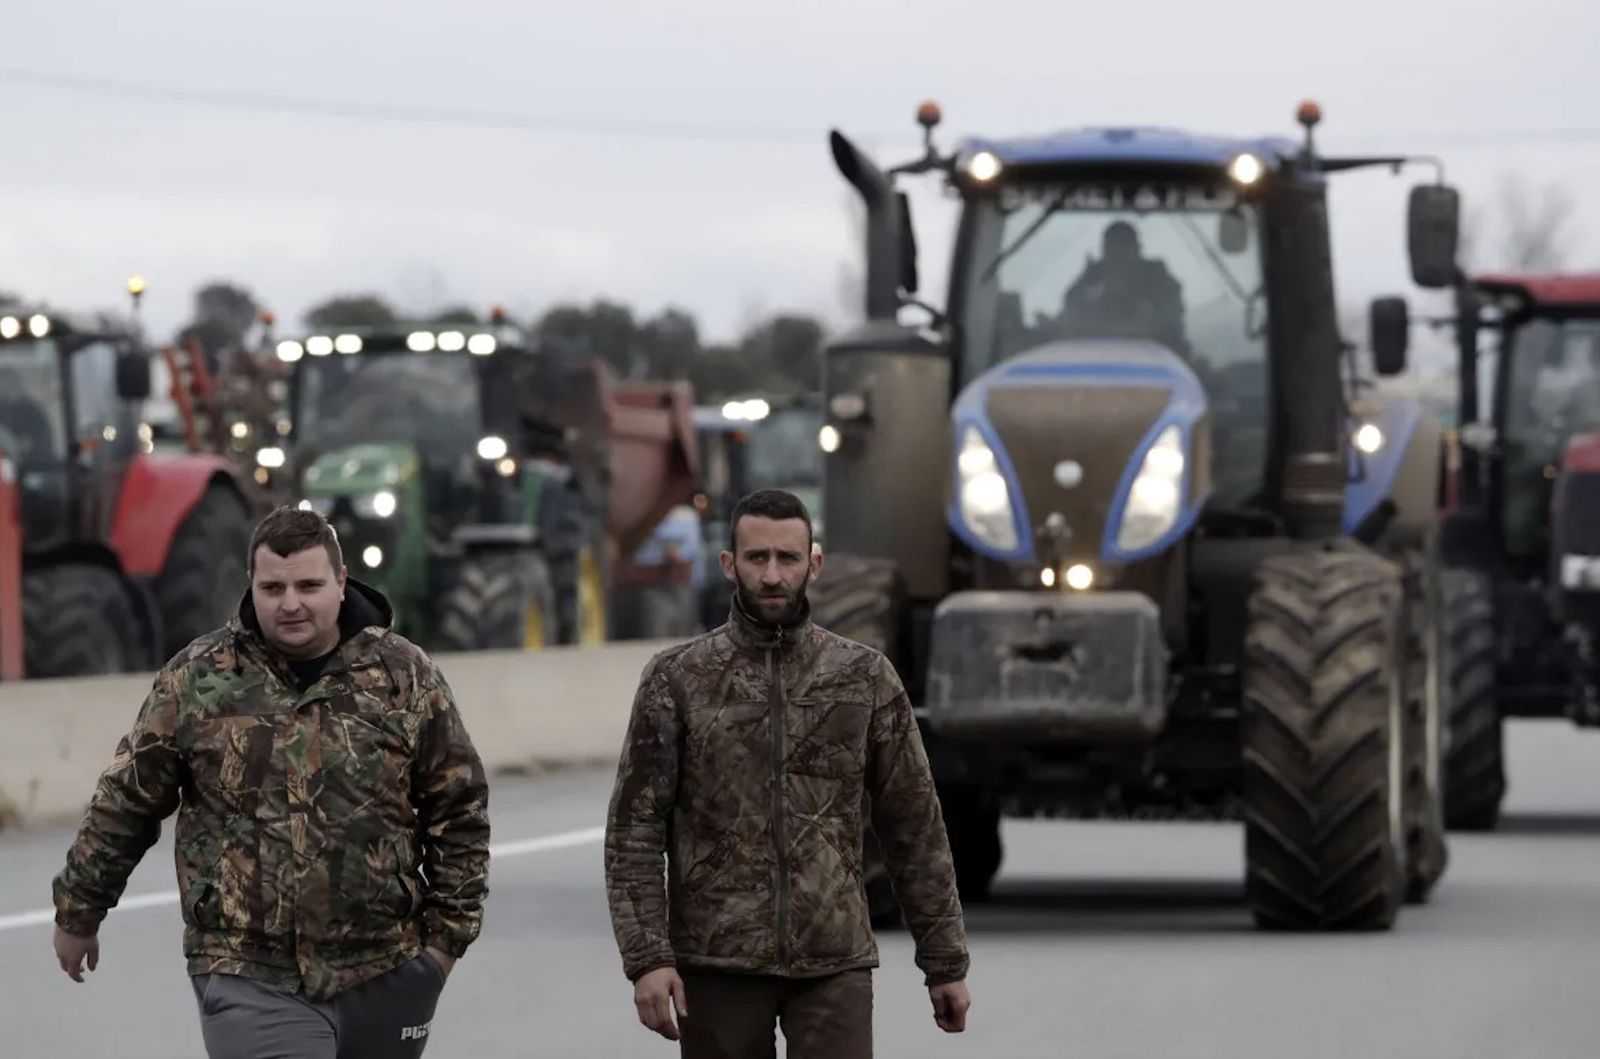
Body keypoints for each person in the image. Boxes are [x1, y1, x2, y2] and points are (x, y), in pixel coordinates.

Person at [49, 505, 490, 1059]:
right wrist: (80, 909)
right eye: (272, 587)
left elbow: (459, 808)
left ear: (341, 582)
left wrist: (443, 946)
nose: (290, 603)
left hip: (387, 970)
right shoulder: (199, 677)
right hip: (246, 969)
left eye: (308, 585)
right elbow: (128, 799)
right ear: (251, 587)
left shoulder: (403, 675)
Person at [605, 488, 972, 1058]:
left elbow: (914, 826)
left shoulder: (863, 677)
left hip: (833, 963)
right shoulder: (677, 679)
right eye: (757, 558)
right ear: (730, 565)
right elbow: (635, 831)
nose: (772, 575)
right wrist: (648, 959)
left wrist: (944, 961)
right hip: (717, 964)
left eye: (787, 558)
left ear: (814, 564)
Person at [1058, 219, 1189, 355]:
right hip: (1092, 355)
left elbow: (1169, 325)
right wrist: (1087, 282)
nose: (1117, 255)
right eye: (1112, 248)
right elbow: (1070, 308)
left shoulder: (1160, 281)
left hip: (1154, 357)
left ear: (1136, 248)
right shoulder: (1092, 278)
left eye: (1123, 247)